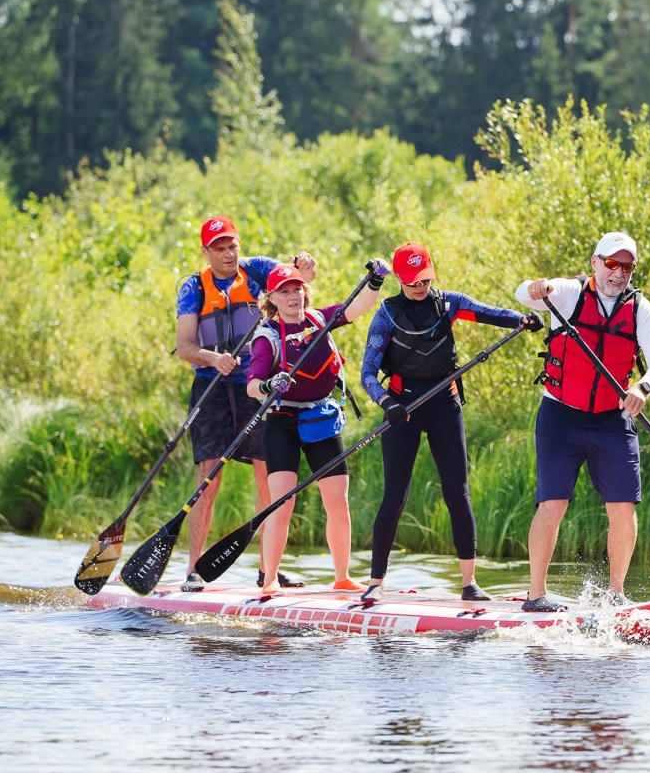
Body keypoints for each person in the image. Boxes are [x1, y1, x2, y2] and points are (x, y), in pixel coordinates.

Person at [359, 242, 542, 603]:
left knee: (456, 492)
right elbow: (367, 374)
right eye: (412, 282)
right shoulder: (386, 315)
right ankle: (376, 582)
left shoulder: (449, 303)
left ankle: (469, 582)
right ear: (399, 279)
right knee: (395, 495)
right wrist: (387, 402)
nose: (420, 287)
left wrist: (521, 320)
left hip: (444, 401)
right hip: (403, 407)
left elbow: (489, 313)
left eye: (425, 279)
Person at [514, 231, 650, 612]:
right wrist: (537, 288)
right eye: (612, 264)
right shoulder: (567, 293)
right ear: (595, 263)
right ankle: (536, 596)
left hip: (612, 420)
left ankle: (616, 596)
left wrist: (643, 387)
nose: (619, 273)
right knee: (552, 503)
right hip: (561, 417)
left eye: (627, 266)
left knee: (623, 507)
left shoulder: (639, 309)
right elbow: (523, 294)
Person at [176, 214, 316, 592]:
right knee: (209, 475)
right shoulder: (193, 287)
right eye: (219, 248)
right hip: (212, 387)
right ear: (206, 252)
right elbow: (185, 348)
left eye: (232, 244)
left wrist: (305, 266)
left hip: (257, 385)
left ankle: (267, 571)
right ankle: (193, 570)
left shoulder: (258, 271)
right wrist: (212, 358)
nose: (227, 253)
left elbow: (298, 286)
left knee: (268, 472)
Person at [246, 259, 389, 595]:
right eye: (286, 291)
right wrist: (269, 385)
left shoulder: (320, 319)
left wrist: (376, 279)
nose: (294, 295)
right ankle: (269, 581)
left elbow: (356, 308)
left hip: (320, 418)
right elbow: (252, 386)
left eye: (297, 289)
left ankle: (342, 576)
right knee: (282, 503)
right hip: (281, 422)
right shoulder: (268, 336)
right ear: (273, 299)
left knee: (338, 501)